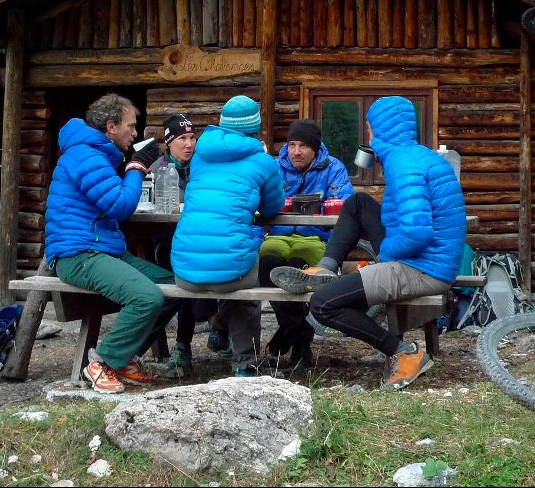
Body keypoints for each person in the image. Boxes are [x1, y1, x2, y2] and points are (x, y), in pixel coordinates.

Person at [273, 96, 466, 390]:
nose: (368, 137)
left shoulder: (404, 165)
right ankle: (326, 268)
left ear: (381, 129)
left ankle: (404, 354)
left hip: (422, 267)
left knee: (323, 305)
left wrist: (386, 255)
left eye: (370, 128)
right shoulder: (416, 156)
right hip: (427, 258)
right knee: (358, 203)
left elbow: (418, 233)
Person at [45, 93, 179, 394]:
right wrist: (134, 168)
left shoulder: (96, 155)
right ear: (111, 126)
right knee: (147, 296)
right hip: (79, 254)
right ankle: (102, 362)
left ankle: (123, 357)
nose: (135, 133)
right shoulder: (86, 156)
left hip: (102, 249)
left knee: (173, 288)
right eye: (131, 126)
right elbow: (120, 205)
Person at [170, 95, 285, 376]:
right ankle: (245, 363)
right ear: (255, 127)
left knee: (225, 260)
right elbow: (272, 207)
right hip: (229, 273)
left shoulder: (198, 156)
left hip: (184, 272)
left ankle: (202, 342)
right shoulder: (263, 161)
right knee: (246, 278)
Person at [259, 118, 354, 368]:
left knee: (298, 266)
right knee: (267, 265)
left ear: (315, 147)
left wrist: (334, 255)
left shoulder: (333, 168)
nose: (296, 152)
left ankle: (292, 338)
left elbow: (345, 213)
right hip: (277, 235)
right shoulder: (273, 167)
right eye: (292, 144)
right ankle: (297, 335)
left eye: (303, 146)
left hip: (315, 237)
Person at [148, 113, 222, 374]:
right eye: (182, 139)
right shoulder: (157, 170)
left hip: (202, 240)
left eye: (192, 138)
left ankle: (206, 331)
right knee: (181, 271)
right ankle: (200, 333)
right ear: (168, 142)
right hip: (166, 241)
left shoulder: (203, 167)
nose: (189, 144)